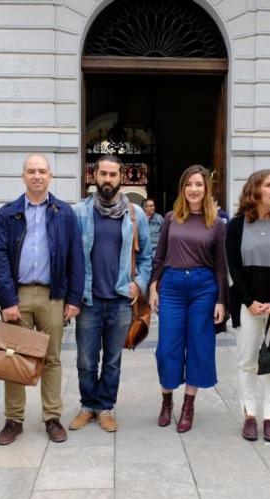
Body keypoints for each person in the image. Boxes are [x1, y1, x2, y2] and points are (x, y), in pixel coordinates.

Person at [0, 153, 84, 445]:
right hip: (16, 295)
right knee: (13, 358)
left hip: (52, 295)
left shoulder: (64, 213)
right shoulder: (8, 213)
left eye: (42, 171)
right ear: (23, 176)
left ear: (50, 176)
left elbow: (75, 257)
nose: (37, 176)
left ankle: (52, 417)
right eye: (32, 171)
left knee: (52, 358)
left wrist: (73, 298)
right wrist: (6, 299)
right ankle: (14, 420)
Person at [71, 155, 152, 432]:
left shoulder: (135, 214)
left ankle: (105, 407)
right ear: (95, 176)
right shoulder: (80, 213)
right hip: (88, 300)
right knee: (85, 360)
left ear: (121, 178)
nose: (107, 179)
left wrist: (138, 284)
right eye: (103, 174)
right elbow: (71, 257)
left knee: (113, 360)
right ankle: (87, 406)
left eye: (113, 174)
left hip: (120, 300)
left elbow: (146, 259)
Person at [149, 165, 228, 433]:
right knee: (167, 347)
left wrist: (221, 300)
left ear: (206, 189)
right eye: (189, 184)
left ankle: (188, 405)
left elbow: (220, 265)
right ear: (183, 188)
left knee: (199, 345)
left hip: (203, 288)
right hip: (171, 286)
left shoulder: (215, 223)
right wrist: (152, 287)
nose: (194, 189)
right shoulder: (171, 218)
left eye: (199, 184)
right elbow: (159, 256)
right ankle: (167, 401)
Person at [226, 169, 270, 442]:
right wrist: (248, 301)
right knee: (247, 362)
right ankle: (249, 415)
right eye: (269, 185)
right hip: (248, 304)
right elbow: (233, 267)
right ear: (254, 190)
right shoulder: (236, 225)